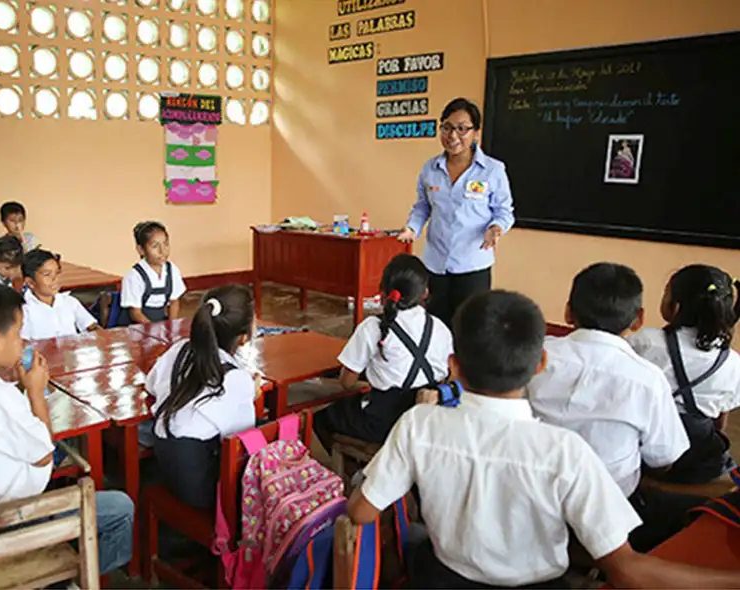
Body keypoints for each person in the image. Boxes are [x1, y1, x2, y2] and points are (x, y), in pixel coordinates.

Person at [346, 290, 740, 589]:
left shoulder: (419, 424)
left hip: (446, 578)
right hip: (541, 583)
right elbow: (626, 568)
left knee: (415, 541)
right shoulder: (565, 452)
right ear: (540, 364)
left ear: (453, 366)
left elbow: (361, 512)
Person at [0, 283, 133, 575]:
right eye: (17, 334)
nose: (22, 342)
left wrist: (18, 387)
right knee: (120, 509)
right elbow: (43, 453)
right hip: (7, 521)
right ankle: (67, 577)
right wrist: (35, 393)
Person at [526, 262, 697, 552]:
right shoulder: (648, 379)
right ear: (638, 320)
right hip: (605, 507)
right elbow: (664, 459)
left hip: (527, 492)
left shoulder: (535, 354)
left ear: (568, 311)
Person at [313, 254, 452, 453]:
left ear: (384, 291)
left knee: (321, 418)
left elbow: (347, 382)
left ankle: (352, 471)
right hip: (427, 420)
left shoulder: (373, 326)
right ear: (425, 293)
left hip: (384, 422)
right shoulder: (440, 328)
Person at [397, 98, 515, 327]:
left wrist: (496, 228)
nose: (453, 136)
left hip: (473, 264)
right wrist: (412, 227)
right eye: (447, 127)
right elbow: (423, 205)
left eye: (462, 129)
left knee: (470, 327)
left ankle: (465, 364)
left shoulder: (492, 170)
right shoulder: (430, 168)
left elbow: (504, 210)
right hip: (435, 263)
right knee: (436, 325)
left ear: (476, 133)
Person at [146, 285, 257, 510]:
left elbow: (151, 385)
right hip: (200, 486)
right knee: (263, 440)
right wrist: (250, 393)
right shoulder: (236, 379)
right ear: (244, 338)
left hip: (166, 464)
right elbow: (240, 441)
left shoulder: (180, 349)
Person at [629, 264, 740, 483]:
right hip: (699, 462)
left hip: (645, 453)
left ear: (675, 307)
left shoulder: (644, 342)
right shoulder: (733, 362)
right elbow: (720, 421)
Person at [20, 248, 99, 339]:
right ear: (30, 282)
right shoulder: (23, 310)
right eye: (47, 275)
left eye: (57, 273)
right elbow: (23, 343)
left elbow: (91, 327)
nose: (55, 279)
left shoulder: (69, 302)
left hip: (70, 351)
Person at [117, 221, 186, 325]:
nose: (162, 251)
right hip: (137, 327)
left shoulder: (172, 270)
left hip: (160, 323)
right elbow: (135, 313)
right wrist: (154, 329)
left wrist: (171, 326)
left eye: (166, 244)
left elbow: (174, 302)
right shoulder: (134, 276)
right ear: (141, 250)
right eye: (155, 246)